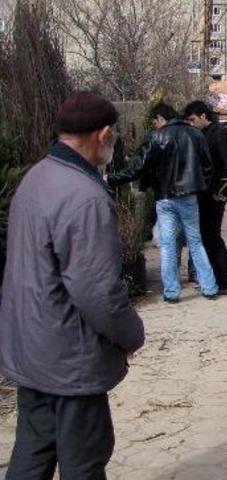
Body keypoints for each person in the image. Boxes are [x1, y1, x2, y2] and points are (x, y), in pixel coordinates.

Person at [0, 92, 145, 479]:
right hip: (69, 357)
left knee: (33, 452)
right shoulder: (84, 196)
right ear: (104, 134)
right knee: (84, 458)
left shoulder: (38, 176)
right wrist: (131, 335)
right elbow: (98, 291)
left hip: (31, 345)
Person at [107, 103, 220, 303]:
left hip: (165, 196)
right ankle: (209, 287)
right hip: (189, 196)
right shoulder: (196, 135)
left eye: (154, 122)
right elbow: (207, 167)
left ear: (160, 118)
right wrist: (201, 190)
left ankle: (171, 292)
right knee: (195, 242)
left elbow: (138, 167)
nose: (154, 125)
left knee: (167, 245)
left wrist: (112, 179)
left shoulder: (156, 137)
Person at [184, 101, 227, 294]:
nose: (191, 124)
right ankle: (219, 278)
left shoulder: (218, 134)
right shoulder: (204, 134)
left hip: (215, 194)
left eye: (193, 119)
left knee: (212, 237)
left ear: (203, 116)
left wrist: (221, 191)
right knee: (208, 238)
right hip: (206, 193)